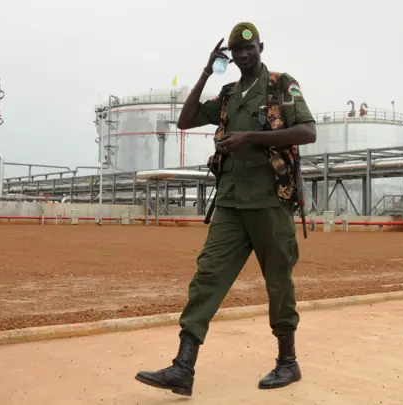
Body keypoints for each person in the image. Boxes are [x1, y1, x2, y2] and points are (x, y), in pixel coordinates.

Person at [134, 22, 317, 396]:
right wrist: (205, 72)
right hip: (231, 203)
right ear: (230, 56)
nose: (244, 54)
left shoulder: (280, 85)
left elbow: (308, 131)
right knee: (207, 278)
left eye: (250, 49)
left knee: (279, 282)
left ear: (261, 48)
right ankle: (183, 367)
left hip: (270, 202)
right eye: (237, 50)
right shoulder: (229, 94)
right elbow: (185, 121)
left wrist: (251, 137)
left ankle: (288, 362)